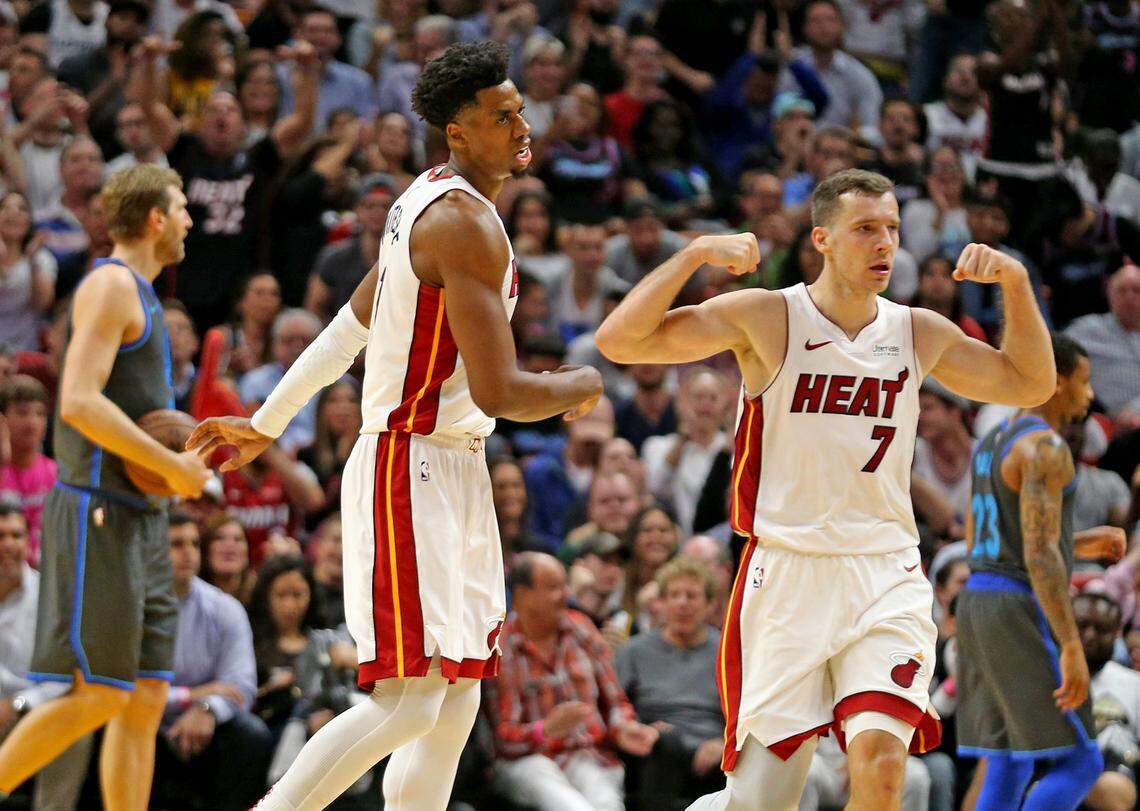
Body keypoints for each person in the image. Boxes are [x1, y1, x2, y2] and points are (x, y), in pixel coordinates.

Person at [186, 42, 603, 810]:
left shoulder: (425, 198)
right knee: (411, 700)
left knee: (457, 699)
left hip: (454, 464)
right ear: (457, 133)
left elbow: (351, 325)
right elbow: (503, 388)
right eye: (500, 115)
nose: (521, 123)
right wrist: (583, 379)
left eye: (519, 108)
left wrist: (267, 419)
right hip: (407, 465)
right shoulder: (457, 223)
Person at [596, 167, 1057, 809]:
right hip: (787, 574)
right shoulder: (768, 316)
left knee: (881, 758)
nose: (884, 244)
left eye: (892, 228)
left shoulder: (915, 331)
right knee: (761, 800)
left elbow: (1029, 385)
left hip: (884, 570)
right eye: (865, 228)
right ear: (822, 239)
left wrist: (1015, 282)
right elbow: (619, 340)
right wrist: (696, 252)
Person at [0, 163, 210, 809]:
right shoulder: (111, 285)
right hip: (98, 513)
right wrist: (172, 466)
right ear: (154, 218)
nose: (189, 220)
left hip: (141, 517)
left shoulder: (145, 294)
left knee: (145, 697)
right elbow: (78, 402)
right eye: (180, 207)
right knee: (98, 692)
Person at [956, 335, 1105, 809]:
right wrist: (1071, 645)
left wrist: (1080, 543)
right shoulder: (1046, 447)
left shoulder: (992, 440)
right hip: (1017, 605)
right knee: (1082, 763)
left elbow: (983, 541)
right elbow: (1040, 557)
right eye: (1083, 382)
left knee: (1009, 758)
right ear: (1057, 382)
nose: (1089, 394)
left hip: (977, 600)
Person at [485, 552, 660, 811]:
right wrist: (545, 730)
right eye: (555, 587)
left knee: (607, 805)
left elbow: (615, 702)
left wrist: (624, 728)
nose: (567, 594)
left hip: (587, 755)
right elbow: (502, 740)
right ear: (522, 595)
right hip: (527, 761)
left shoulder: (581, 628)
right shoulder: (501, 646)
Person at [154, 511, 272, 811]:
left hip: (206, 727)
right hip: (147, 724)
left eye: (194, 543)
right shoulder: (133, 608)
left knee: (253, 736)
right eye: (177, 543)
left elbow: (241, 687)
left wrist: (207, 708)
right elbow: (125, 692)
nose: (188, 552)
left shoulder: (225, 608)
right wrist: (192, 697)